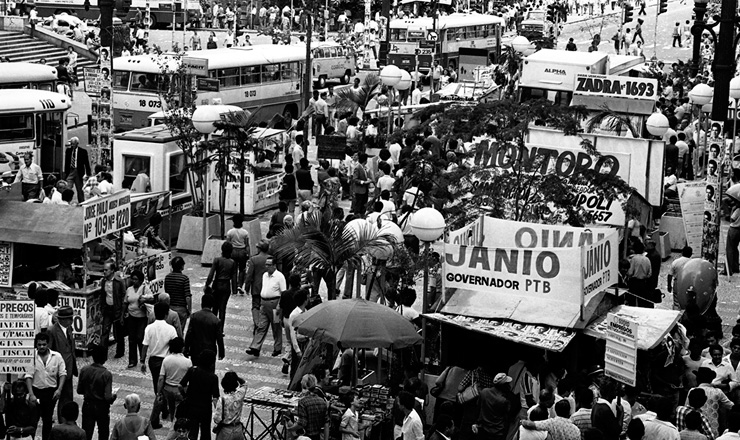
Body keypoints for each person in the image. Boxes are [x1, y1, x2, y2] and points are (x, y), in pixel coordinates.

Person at [26, 332, 67, 440]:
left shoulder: (57, 356)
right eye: (39, 345)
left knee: (47, 420)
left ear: (48, 344)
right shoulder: (31, 357)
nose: (41, 347)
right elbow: (28, 376)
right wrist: (31, 394)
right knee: (33, 419)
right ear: (36, 345)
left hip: (50, 393)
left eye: (44, 344)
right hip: (36, 392)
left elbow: (63, 373)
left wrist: (59, 390)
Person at [142, 302, 178, 428]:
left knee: (157, 387)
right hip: (166, 361)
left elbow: (145, 346)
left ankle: (162, 410)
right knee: (164, 387)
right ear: (167, 313)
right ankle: (159, 414)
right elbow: (176, 345)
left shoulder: (149, 328)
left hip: (153, 361)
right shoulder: (171, 329)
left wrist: (142, 361)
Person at [246, 256, 285, 357]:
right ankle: (255, 346)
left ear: (274, 266)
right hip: (264, 303)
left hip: (275, 304)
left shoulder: (279, 276)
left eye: (269, 265)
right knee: (261, 326)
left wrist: (279, 306)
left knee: (276, 326)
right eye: (266, 265)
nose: (267, 267)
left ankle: (277, 348)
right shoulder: (264, 275)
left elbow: (283, 292)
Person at [77, 346, 116, 440]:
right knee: (103, 432)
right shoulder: (106, 374)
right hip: (102, 407)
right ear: (105, 358)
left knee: (87, 432)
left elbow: (79, 390)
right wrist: (114, 396)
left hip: (87, 405)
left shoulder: (84, 370)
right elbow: (108, 397)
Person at [180, 350, 220, 440]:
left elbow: (180, 386)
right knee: (205, 433)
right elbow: (215, 398)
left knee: (192, 432)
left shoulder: (192, 371)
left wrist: (185, 395)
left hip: (191, 407)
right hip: (205, 409)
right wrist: (218, 413)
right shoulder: (213, 377)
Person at [47, 306, 78, 423]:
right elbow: (49, 352)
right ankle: (58, 420)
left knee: (68, 397)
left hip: (68, 369)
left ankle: (65, 420)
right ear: (63, 319)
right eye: (70, 318)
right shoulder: (52, 331)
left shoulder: (69, 328)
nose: (72, 320)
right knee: (56, 398)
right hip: (58, 372)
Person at [472, 373, 520, 440]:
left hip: (484, 428)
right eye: (507, 384)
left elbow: (478, 408)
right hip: (497, 432)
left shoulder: (484, 392)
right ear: (504, 386)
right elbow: (507, 416)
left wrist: (475, 423)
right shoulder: (503, 400)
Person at [156, 337, 191, 425]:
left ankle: (173, 422)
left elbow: (161, 378)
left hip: (168, 389)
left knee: (172, 409)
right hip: (181, 390)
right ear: (182, 348)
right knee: (182, 410)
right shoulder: (188, 362)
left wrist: (158, 392)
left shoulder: (166, 360)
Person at [124, 270, 154, 369]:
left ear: (141, 280)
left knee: (140, 338)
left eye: (136, 279)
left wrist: (144, 300)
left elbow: (152, 299)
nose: (134, 281)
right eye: (132, 279)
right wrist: (123, 314)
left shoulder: (145, 288)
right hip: (131, 317)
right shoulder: (129, 289)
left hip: (142, 318)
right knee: (131, 339)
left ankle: (142, 358)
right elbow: (125, 302)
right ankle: (132, 360)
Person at [205, 241, 238, 331]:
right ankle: (220, 329)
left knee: (215, 307)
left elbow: (211, 274)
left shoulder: (217, 260)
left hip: (217, 284)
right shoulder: (232, 262)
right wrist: (234, 290)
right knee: (222, 308)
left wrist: (207, 284)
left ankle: (213, 326)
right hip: (226, 286)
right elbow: (234, 277)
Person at [98, 261, 126, 359]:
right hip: (107, 309)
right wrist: (102, 309)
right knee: (105, 332)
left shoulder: (119, 282)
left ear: (112, 270)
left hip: (117, 309)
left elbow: (123, 297)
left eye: (106, 270)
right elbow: (102, 296)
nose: (104, 272)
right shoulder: (104, 281)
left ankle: (120, 351)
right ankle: (102, 354)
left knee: (118, 332)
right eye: (104, 270)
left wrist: (122, 312)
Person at [184, 295, 224, 364]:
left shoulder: (194, 316)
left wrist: (186, 348)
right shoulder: (216, 320)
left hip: (196, 350)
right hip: (210, 351)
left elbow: (189, 333)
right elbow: (219, 338)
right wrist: (221, 352)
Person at [287, 374, 328, 440]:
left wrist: (290, 429)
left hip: (305, 436)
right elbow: (326, 423)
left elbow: (302, 423)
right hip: (317, 436)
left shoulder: (303, 402)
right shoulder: (322, 401)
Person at [244, 239, 271, 334]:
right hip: (269, 288)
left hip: (256, 288)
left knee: (255, 306)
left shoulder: (253, 259)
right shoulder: (271, 259)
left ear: (259, 249)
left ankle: (257, 323)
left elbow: (249, 275)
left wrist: (246, 287)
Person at [212, 372, 248, 440]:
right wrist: (236, 378)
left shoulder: (222, 400)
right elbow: (244, 384)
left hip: (225, 431)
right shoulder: (239, 395)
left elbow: (217, 419)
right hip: (238, 429)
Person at [225, 214, 250, 295]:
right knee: (242, 269)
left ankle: (234, 289)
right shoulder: (245, 233)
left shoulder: (230, 232)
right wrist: (248, 255)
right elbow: (247, 245)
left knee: (234, 271)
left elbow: (227, 244)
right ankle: (240, 285)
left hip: (233, 251)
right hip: (242, 252)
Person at [165, 256, 191, 329]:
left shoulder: (167, 277)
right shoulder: (184, 279)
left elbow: (167, 294)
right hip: (181, 309)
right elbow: (188, 297)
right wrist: (189, 310)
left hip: (170, 308)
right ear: (182, 266)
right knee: (179, 332)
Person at [288, 289, 309, 379]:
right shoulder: (294, 314)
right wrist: (297, 350)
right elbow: (292, 334)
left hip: (305, 343)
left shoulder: (306, 311)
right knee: (295, 367)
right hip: (298, 344)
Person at [64, 137, 91, 203]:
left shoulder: (83, 151)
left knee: (79, 189)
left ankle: (81, 202)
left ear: (77, 144)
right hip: (70, 171)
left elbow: (86, 163)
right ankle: (67, 201)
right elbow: (66, 162)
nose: (72, 145)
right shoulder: (68, 151)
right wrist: (65, 172)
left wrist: (88, 173)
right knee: (68, 188)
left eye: (73, 144)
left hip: (78, 171)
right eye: (71, 144)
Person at [627, 241, 653, 307]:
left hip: (634, 282)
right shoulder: (647, 259)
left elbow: (630, 272)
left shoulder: (634, 259)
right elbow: (650, 274)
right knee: (642, 302)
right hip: (643, 283)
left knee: (632, 302)